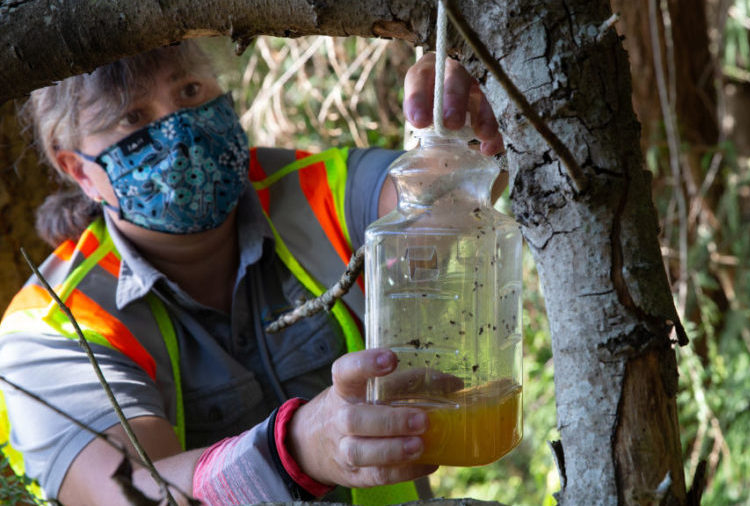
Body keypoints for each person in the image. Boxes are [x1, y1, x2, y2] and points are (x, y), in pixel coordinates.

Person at [0, 40, 503, 505]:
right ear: (78, 169)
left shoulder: (318, 190)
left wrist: (477, 122)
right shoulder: (51, 327)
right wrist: (297, 450)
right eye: (133, 117)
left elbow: (449, 195)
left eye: (190, 90)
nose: (180, 128)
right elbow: (134, 494)